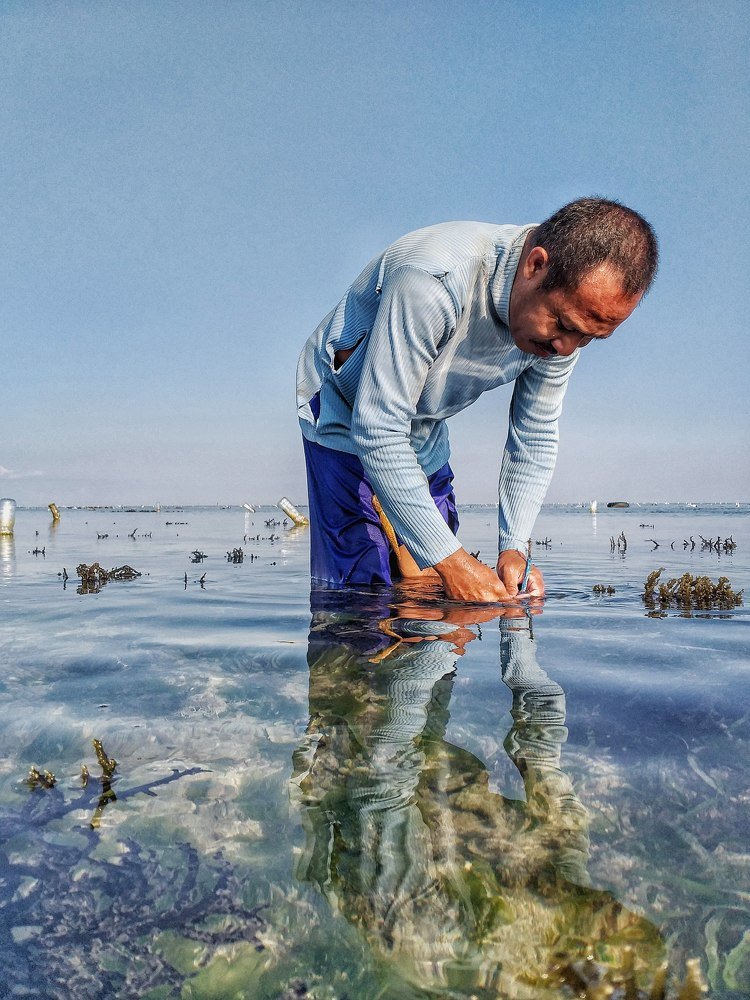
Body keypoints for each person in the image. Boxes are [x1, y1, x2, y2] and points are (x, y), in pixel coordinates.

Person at [296, 197, 658, 601]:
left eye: (589, 338)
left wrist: (514, 546)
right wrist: (452, 561)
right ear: (535, 266)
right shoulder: (433, 280)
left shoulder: (564, 334)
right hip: (341, 410)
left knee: (436, 594)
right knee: (362, 591)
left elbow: (534, 434)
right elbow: (378, 426)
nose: (566, 348)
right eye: (563, 325)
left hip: (423, 426)